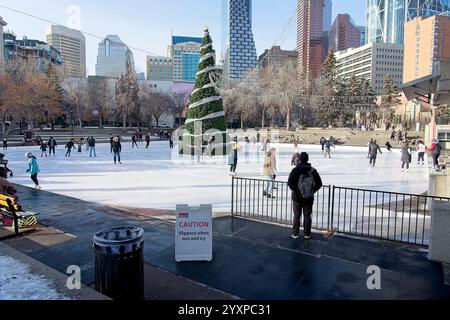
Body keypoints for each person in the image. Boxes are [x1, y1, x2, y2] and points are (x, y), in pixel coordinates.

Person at [288, 152, 323, 240]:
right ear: (307, 159)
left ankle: (295, 233)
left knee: (297, 215)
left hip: (297, 197)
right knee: (307, 215)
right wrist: (312, 191)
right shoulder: (312, 170)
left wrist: (297, 191)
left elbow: (290, 183)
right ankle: (307, 234)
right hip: (309, 197)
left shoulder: (296, 170)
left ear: (300, 159)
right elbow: (319, 183)